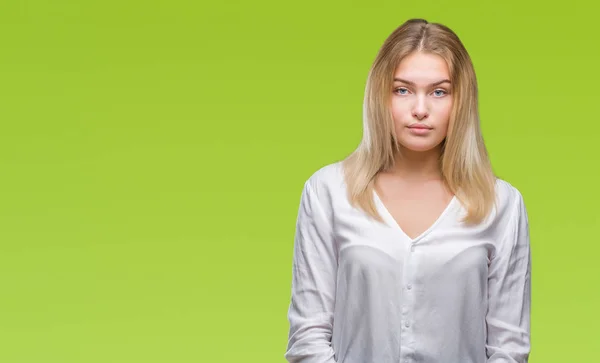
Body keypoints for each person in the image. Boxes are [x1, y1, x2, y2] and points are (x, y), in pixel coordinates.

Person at [283, 18, 531, 363]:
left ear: (461, 101)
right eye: (402, 90)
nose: (419, 109)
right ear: (380, 96)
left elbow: (509, 348)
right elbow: (308, 337)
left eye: (439, 91)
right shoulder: (327, 194)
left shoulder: (502, 205)